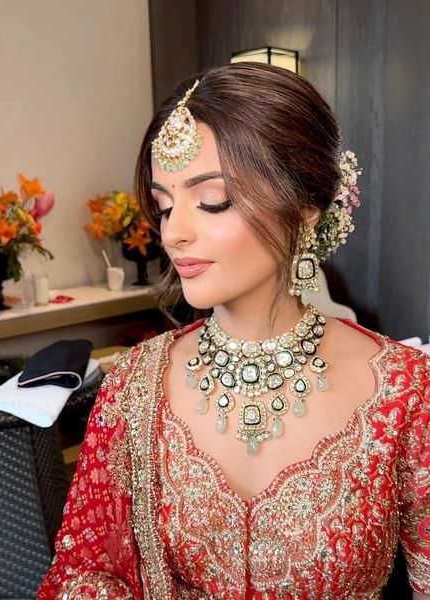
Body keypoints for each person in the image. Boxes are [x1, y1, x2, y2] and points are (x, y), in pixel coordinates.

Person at [38, 63, 430, 599]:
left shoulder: (404, 390)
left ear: (306, 207)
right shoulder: (133, 386)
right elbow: (86, 571)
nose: (174, 233)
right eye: (164, 204)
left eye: (212, 200)